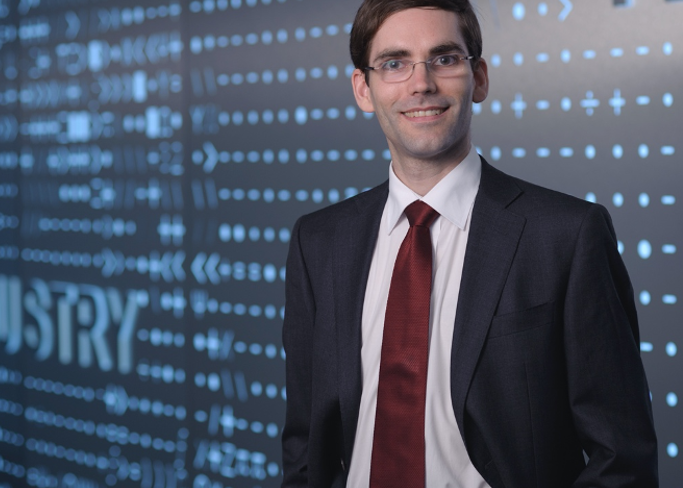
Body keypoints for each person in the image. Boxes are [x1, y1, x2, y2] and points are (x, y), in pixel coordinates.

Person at [280, 0, 659, 486]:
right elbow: (306, 444)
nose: (421, 83)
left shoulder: (566, 236)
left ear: (478, 78)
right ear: (363, 89)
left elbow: (621, 456)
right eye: (394, 63)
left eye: (444, 59)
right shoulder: (318, 243)